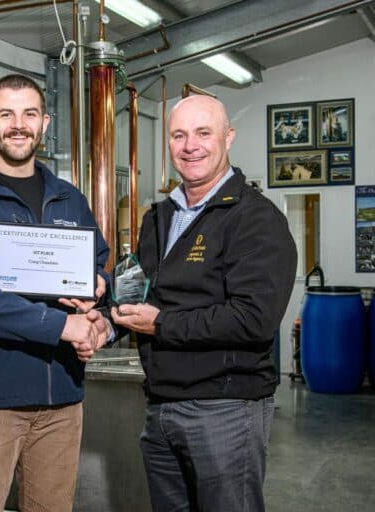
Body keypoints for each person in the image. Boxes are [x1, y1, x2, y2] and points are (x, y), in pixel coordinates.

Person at [0, 74, 112, 512]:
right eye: (6, 114)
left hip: (62, 400)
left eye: (29, 114)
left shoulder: (70, 200)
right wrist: (62, 326)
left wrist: (99, 316)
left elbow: (98, 273)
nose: (18, 124)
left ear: (45, 123)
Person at [111, 94, 297, 512]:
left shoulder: (256, 219)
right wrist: (101, 314)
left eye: (203, 133)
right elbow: (139, 291)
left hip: (225, 409)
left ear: (228, 137)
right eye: (179, 135)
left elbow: (254, 319)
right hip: (160, 406)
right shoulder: (157, 218)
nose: (190, 145)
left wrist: (162, 325)